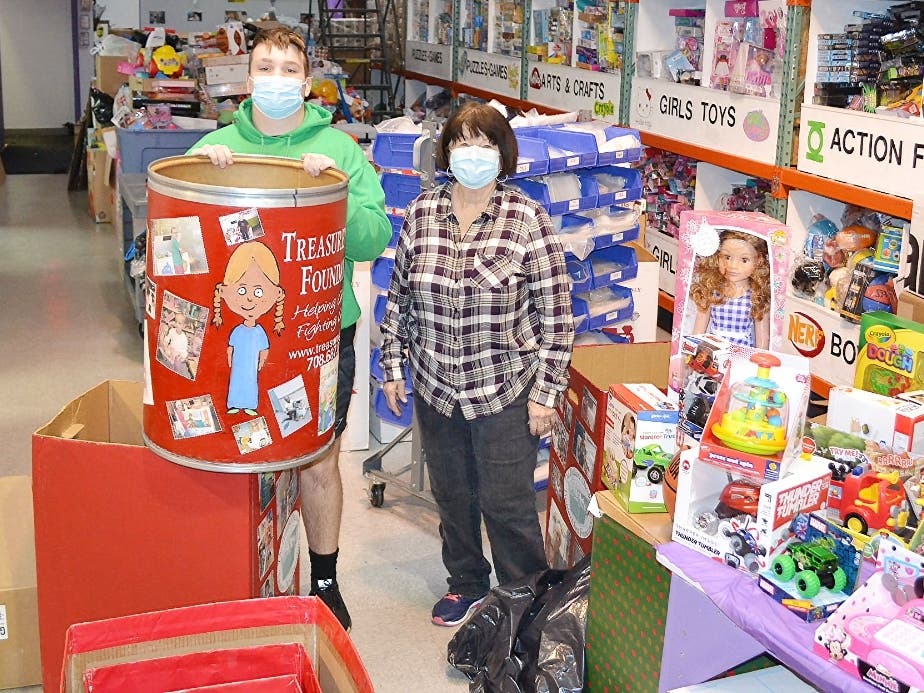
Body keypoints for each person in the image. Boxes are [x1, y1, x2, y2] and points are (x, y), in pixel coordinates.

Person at [189, 27, 391, 631]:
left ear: (306, 81)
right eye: (265, 67)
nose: (276, 78)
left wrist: (338, 188)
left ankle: (324, 582)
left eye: (288, 69)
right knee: (236, 451)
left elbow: (373, 240)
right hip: (235, 335)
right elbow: (181, 243)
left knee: (317, 457)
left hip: (319, 332)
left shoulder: (340, 147)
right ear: (247, 79)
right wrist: (205, 174)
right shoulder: (215, 144)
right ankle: (240, 577)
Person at [379, 102, 575, 627]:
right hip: (436, 381)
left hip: (504, 387)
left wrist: (546, 394)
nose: (474, 154)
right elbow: (400, 296)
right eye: (463, 143)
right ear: (446, 151)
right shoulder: (423, 211)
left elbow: (557, 314)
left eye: (485, 144)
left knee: (507, 502)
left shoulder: (526, 218)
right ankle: (465, 582)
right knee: (453, 494)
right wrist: (392, 366)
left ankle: (524, 596)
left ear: (503, 154)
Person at [690, 230, 771, 349]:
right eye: (727, 257)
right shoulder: (712, 291)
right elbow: (699, 327)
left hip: (742, 354)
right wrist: (692, 351)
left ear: (758, 261)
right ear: (717, 257)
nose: (733, 266)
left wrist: (761, 363)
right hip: (714, 351)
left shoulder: (757, 296)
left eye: (744, 260)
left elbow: (763, 336)